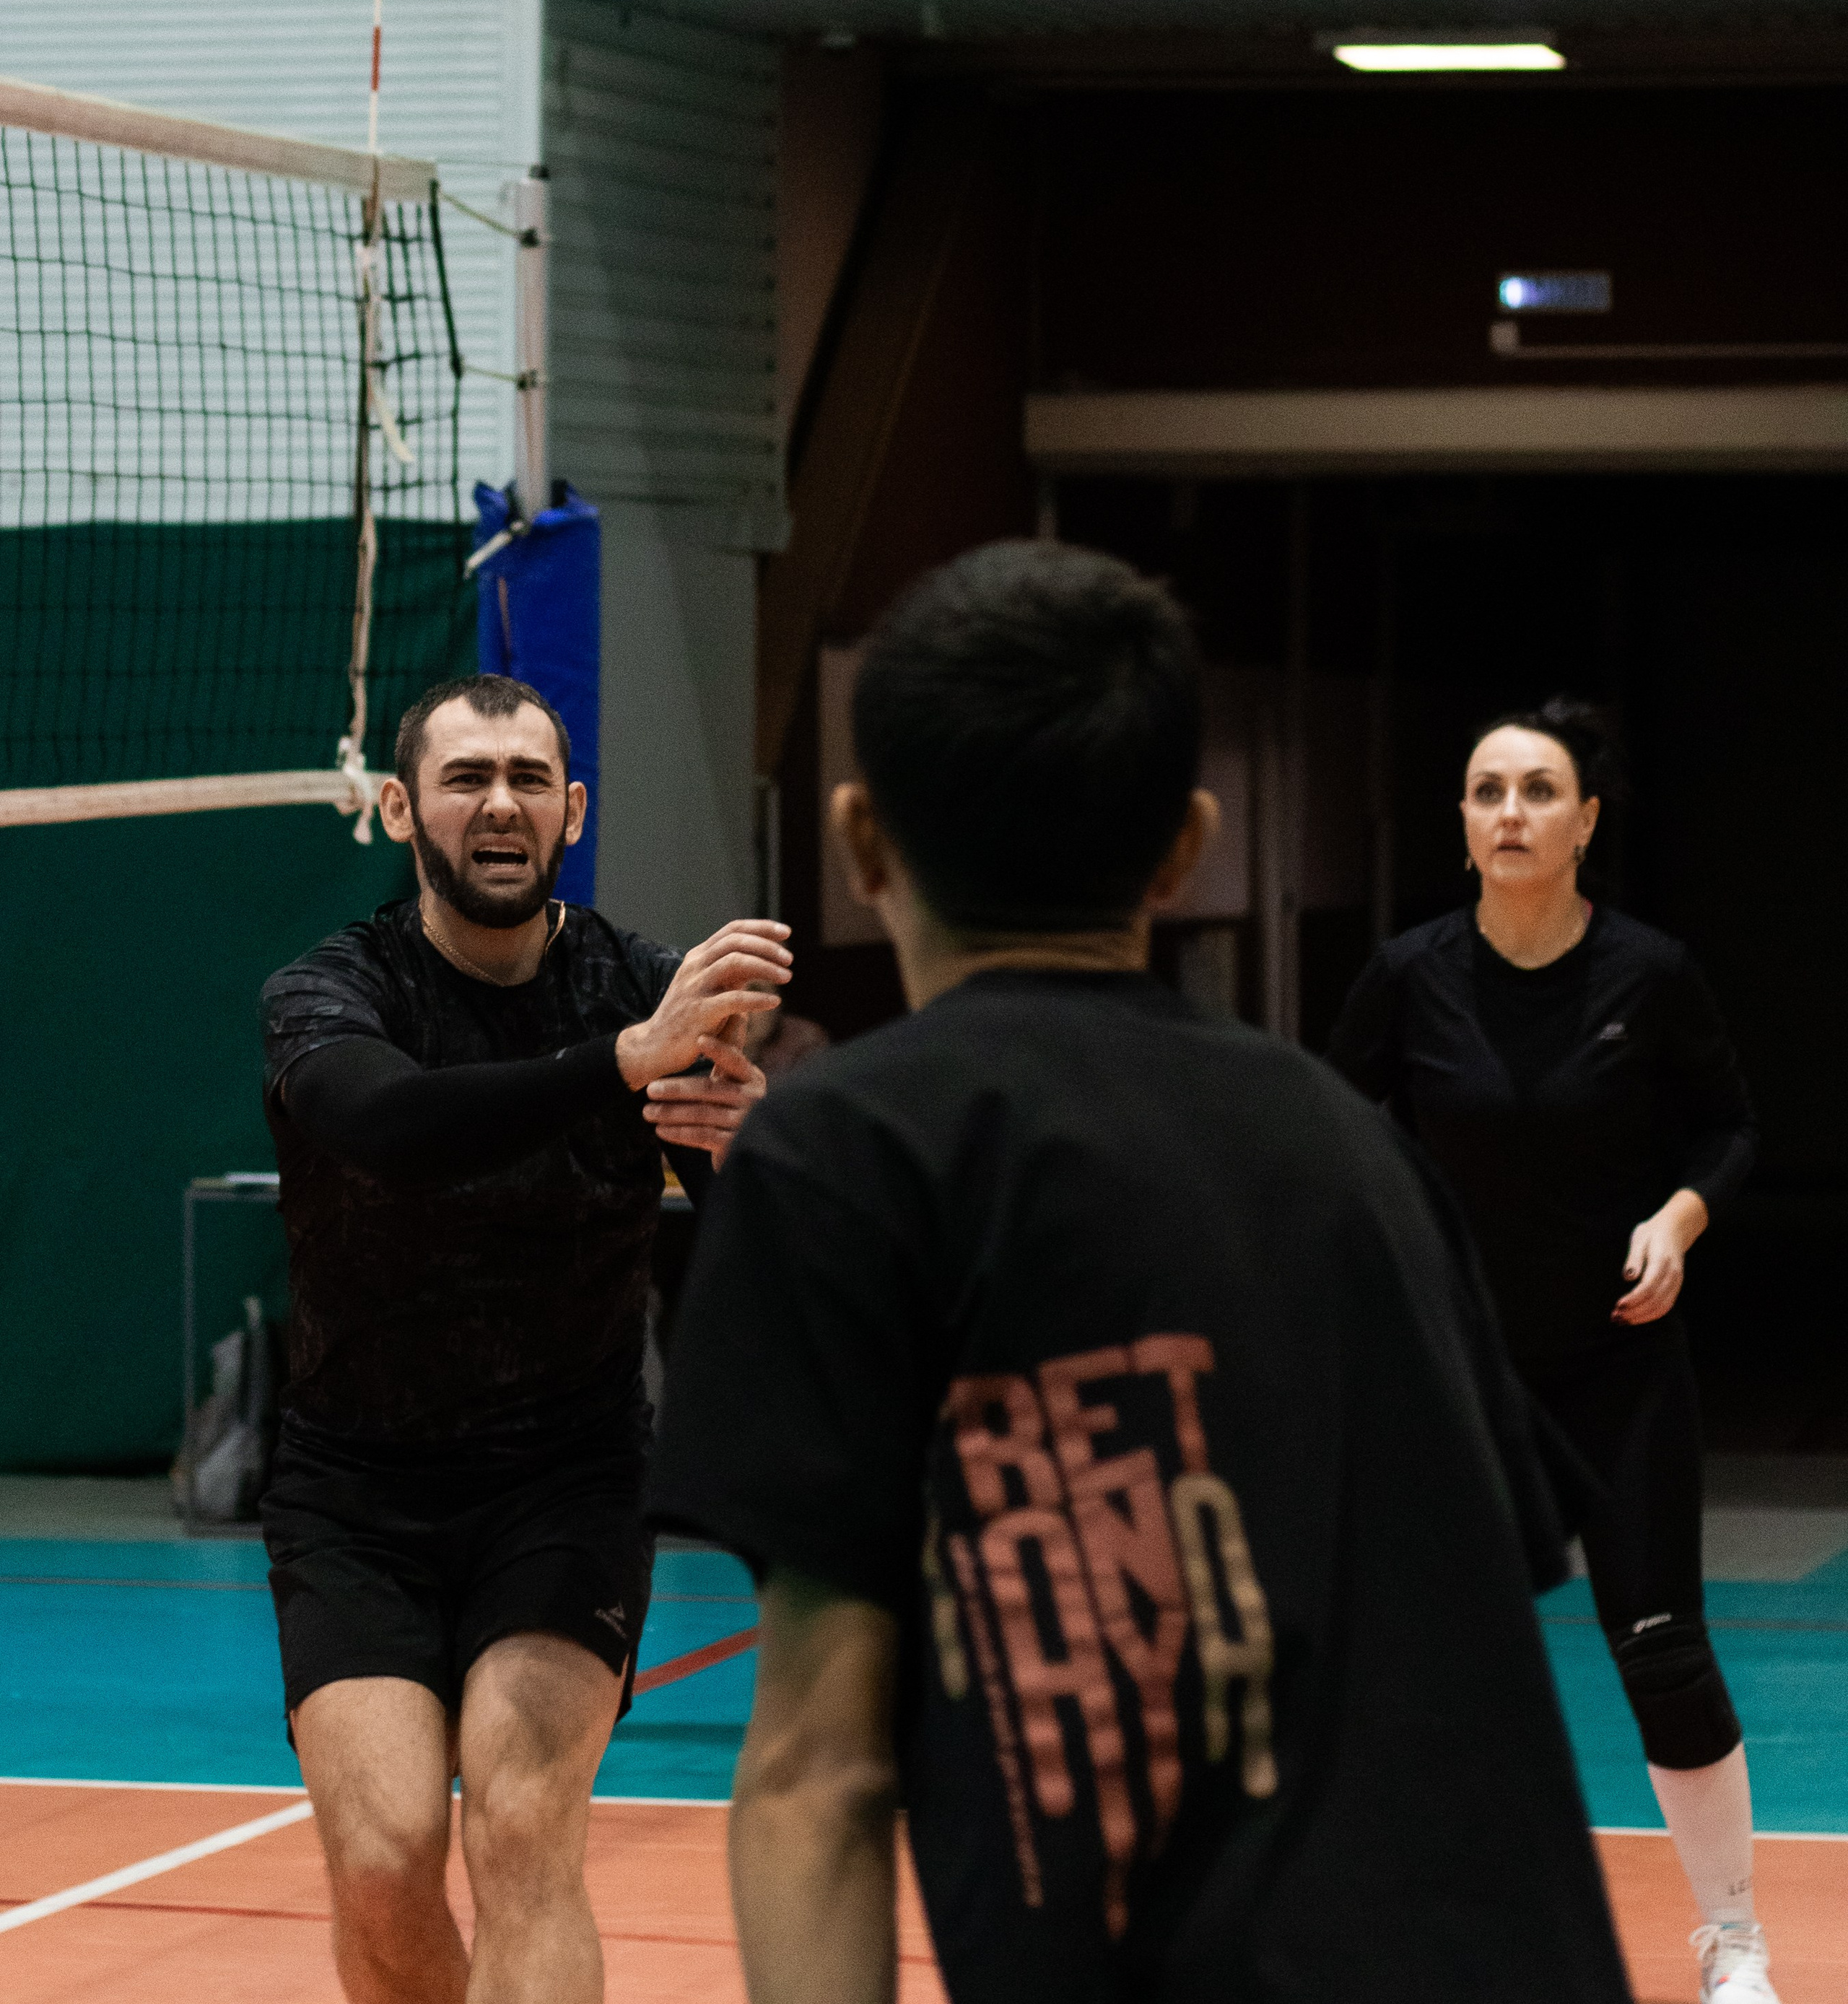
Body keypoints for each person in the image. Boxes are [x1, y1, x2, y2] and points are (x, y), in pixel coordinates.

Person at [645, 541, 1630, 2004]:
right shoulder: (1353, 1149)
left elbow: (815, 1772)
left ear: (859, 843)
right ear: (1186, 846)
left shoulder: (842, 1151)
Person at [257, 670, 791, 2004]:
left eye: (530, 780)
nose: (501, 804)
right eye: (465, 777)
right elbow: (388, 1126)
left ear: (574, 810)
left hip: (569, 1476)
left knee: (521, 1827)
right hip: (356, 1489)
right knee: (384, 1858)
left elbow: (759, 1265)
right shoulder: (331, 994)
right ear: (398, 809)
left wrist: (760, 1154)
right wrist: (619, 1063)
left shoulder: (649, 993)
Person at [1325, 697, 1774, 2004]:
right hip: (1463, 1376)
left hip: (1620, 1370)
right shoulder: (1408, 977)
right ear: (1462, 827)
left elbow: (1730, 1130)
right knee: (1422, 1656)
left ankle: (1735, 1940)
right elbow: (1338, 1140)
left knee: (1662, 1649)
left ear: (1586, 821)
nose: (1509, 812)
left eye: (1536, 790)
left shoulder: (1651, 973)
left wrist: (1678, 1223)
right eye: (1485, 792)